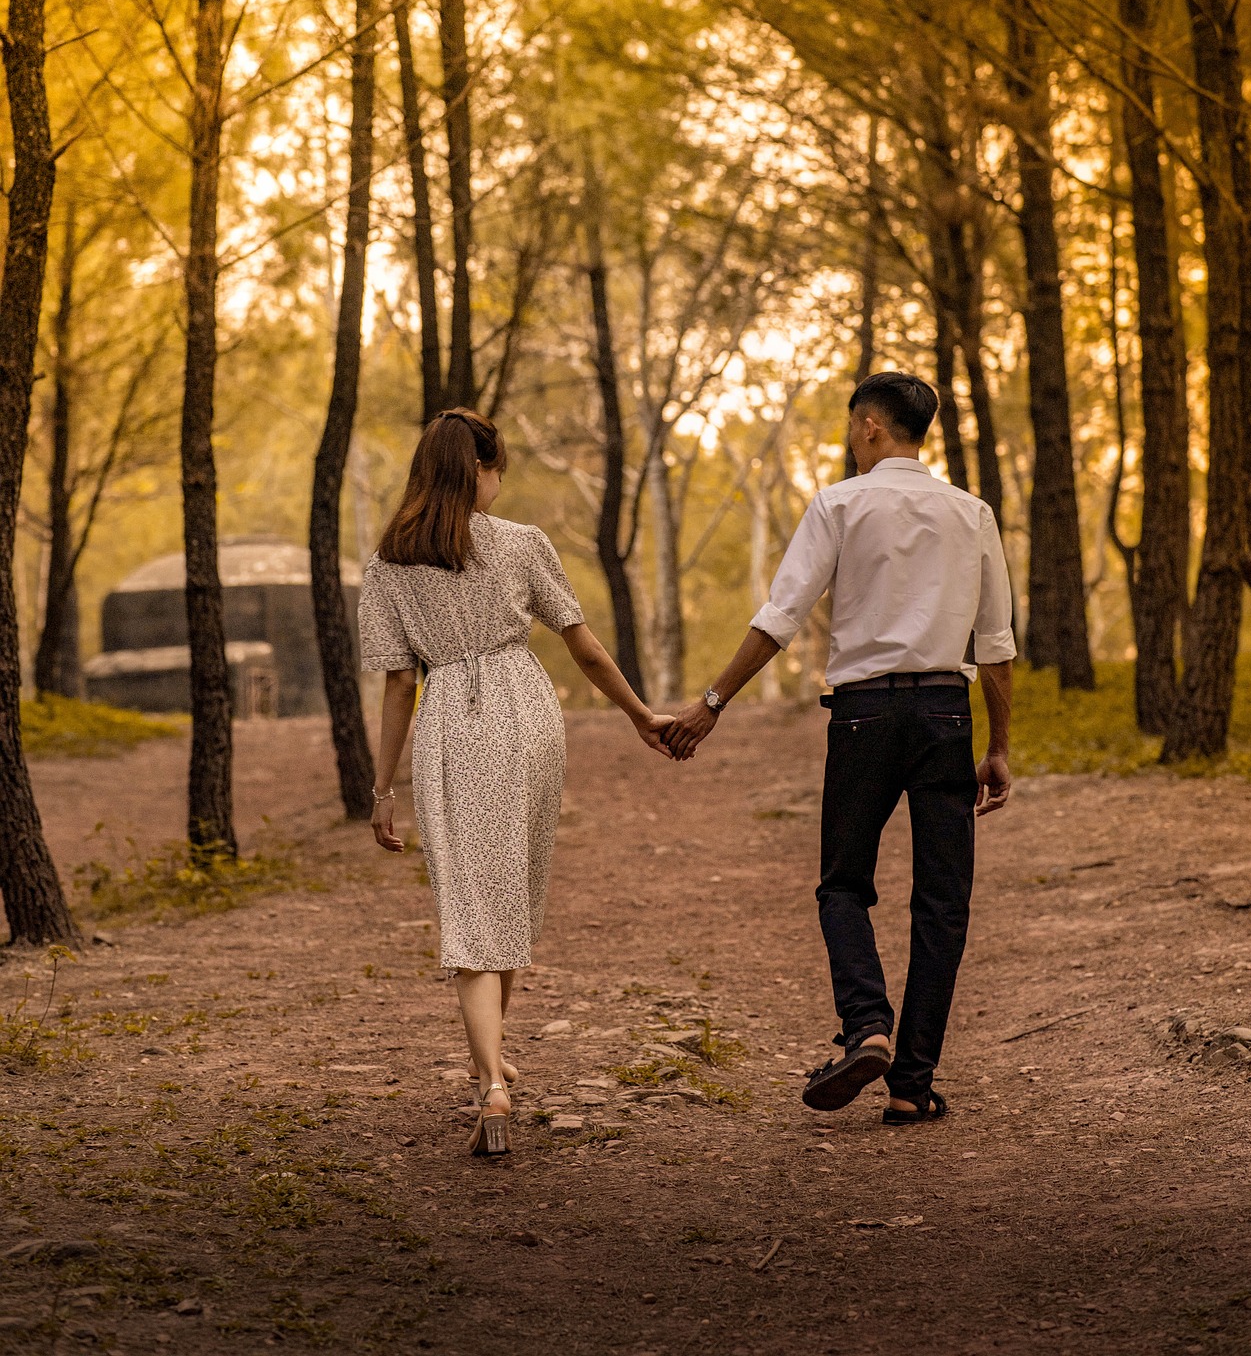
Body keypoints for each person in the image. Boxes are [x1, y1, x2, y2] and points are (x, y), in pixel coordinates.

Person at [663, 371, 1015, 1126]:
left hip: (862, 717)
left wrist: (712, 704)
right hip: (947, 716)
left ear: (869, 428)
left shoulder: (841, 504)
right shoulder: (972, 513)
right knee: (943, 902)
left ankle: (867, 1026)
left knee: (843, 884)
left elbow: (781, 616)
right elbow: (995, 646)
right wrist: (1000, 748)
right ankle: (912, 1084)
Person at [360, 408, 672, 1158]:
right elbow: (584, 646)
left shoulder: (387, 563)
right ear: (480, 472)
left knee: (469, 903)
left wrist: (382, 788)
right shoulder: (523, 544)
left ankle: (489, 1081)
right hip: (527, 713)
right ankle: (491, 1062)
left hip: (451, 722)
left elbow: (400, 683)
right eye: (498, 469)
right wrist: (638, 713)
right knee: (512, 892)